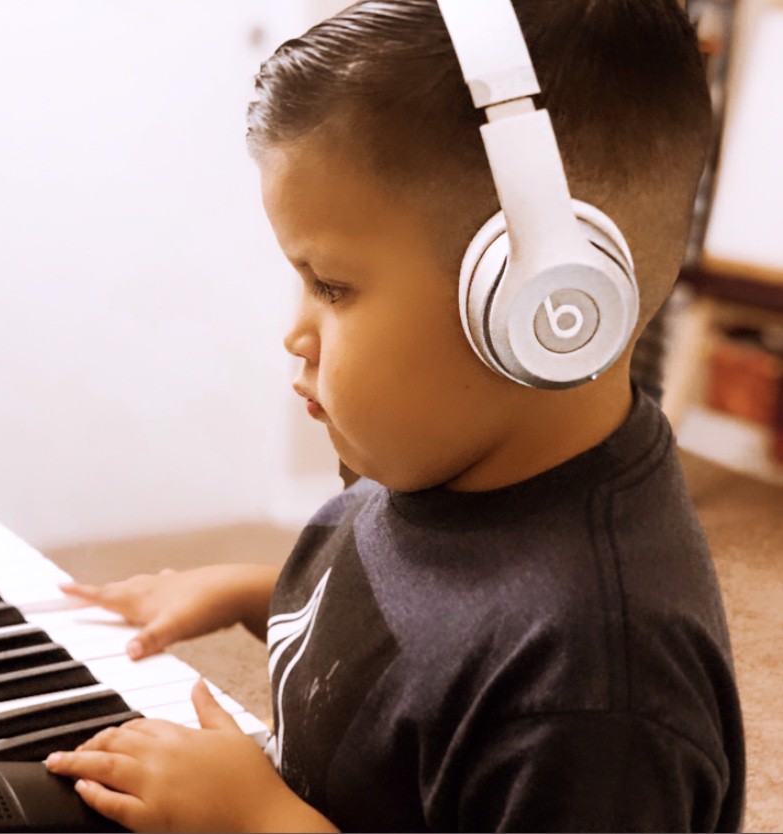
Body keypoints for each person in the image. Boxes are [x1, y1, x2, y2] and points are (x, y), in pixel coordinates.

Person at [45, 0, 745, 830]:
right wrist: (254, 594)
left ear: (544, 308)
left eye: (330, 286)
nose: (294, 332)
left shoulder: (598, 692)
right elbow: (427, 644)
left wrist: (259, 821)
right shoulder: (452, 455)